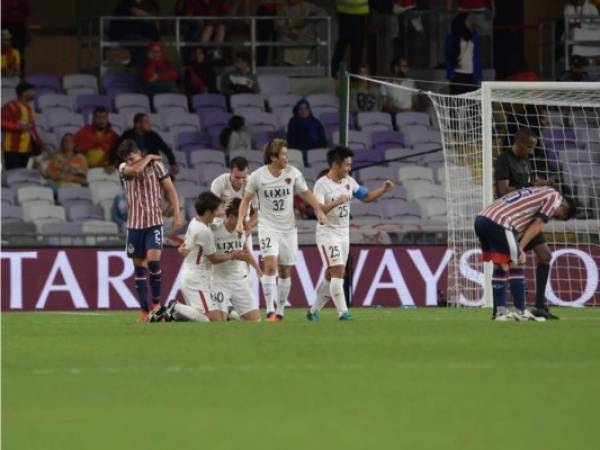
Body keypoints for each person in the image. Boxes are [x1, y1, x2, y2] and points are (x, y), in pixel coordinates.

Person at [236, 138, 327, 321]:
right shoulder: (258, 176)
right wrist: (240, 220)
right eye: (283, 154)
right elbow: (246, 200)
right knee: (270, 265)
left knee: (285, 271)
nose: (287, 157)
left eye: (286, 154)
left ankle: (280, 310)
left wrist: (318, 209)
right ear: (273, 157)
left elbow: (306, 193)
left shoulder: (293, 173)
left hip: (288, 230)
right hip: (268, 227)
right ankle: (269, 309)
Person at [307, 146, 395, 321]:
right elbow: (318, 208)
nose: (349, 168)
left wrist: (383, 189)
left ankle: (313, 310)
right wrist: (336, 202)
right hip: (327, 233)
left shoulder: (349, 182)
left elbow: (366, 196)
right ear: (335, 164)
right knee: (339, 270)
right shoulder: (321, 184)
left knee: (331, 275)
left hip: (343, 234)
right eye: (346, 164)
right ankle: (343, 312)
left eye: (350, 165)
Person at [474, 186, 573, 321]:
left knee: (501, 264)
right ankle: (520, 311)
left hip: (482, 219)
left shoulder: (539, 190)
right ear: (563, 206)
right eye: (556, 215)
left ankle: (500, 313)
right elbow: (537, 224)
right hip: (500, 222)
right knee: (516, 262)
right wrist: (520, 248)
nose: (551, 217)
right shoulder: (555, 198)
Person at [494, 128, 558, 320]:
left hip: (527, 218)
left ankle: (539, 306)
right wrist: (532, 187)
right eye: (529, 146)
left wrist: (538, 187)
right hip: (511, 219)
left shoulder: (525, 160)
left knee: (545, 256)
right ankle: (499, 309)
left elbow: (526, 190)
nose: (531, 151)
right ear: (519, 143)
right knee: (505, 263)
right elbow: (503, 191)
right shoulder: (504, 159)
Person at [117, 139, 183, 322]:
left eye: (132, 158)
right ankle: (144, 311)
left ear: (138, 152)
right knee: (139, 269)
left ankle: (156, 305)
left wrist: (176, 214)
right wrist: (147, 158)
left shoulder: (157, 167)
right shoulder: (123, 168)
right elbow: (136, 170)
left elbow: (170, 190)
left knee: (153, 263)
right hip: (134, 225)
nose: (129, 162)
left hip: (154, 222)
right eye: (127, 160)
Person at [155, 192, 245, 322]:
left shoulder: (195, 221)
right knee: (210, 320)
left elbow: (188, 245)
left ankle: (179, 313)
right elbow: (213, 259)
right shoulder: (205, 232)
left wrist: (182, 247)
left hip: (196, 276)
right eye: (217, 209)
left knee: (218, 317)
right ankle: (175, 308)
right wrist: (233, 255)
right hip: (197, 280)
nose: (219, 212)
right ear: (208, 211)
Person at [1, 82, 44, 170]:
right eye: (31, 91)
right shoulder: (11, 106)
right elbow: (2, 122)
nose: (34, 93)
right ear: (24, 92)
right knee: (14, 176)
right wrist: (18, 127)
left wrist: (38, 141)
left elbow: (32, 127)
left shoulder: (29, 109)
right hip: (12, 149)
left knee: (24, 176)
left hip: (27, 149)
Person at [276, 0, 325, 66]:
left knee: (306, 41)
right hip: (289, 35)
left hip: (306, 36)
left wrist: (308, 19)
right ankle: (289, 65)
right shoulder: (283, 8)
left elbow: (322, 13)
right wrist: (289, 32)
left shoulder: (308, 6)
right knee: (285, 40)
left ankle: (299, 66)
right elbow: (279, 26)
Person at [445, 13, 482, 95]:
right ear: (462, 22)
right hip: (457, 75)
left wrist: (478, 76)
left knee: (471, 103)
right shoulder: (452, 37)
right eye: (468, 20)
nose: (471, 22)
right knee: (457, 102)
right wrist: (450, 74)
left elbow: (477, 57)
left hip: (471, 76)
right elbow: (448, 57)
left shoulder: (474, 37)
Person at [74, 107, 120, 171]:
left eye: (104, 117)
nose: (101, 120)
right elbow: (74, 149)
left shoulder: (113, 136)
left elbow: (118, 155)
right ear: (93, 119)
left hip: (107, 170)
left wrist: (113, 165)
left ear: (107, 119)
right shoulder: (84, 132)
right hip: (86, 169)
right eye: (98, 117)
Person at [331, 0, 369, 75]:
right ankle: (354, 75)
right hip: (359, 11)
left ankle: (334, 70)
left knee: (343, 43)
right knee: (356, 45)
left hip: (345, 10)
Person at [1, 0, 29, 77]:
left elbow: (25, 15)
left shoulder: (23, 2)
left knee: (19, 53)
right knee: (3, 52)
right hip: (5, 24)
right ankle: (3, 74)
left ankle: (20, 77)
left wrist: (27, 32)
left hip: (19, 27)